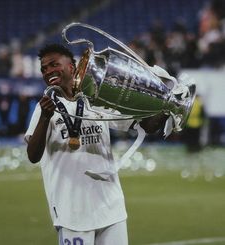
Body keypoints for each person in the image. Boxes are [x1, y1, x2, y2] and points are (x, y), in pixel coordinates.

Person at [25, 43, 168, 245]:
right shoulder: (45, 108)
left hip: (111, 209)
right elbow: (32, 155)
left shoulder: (96, 100)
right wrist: (45, 119)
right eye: (44, 69)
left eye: (54, 64)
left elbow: (147, 124)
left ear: (71, 66)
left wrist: (168, 106)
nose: (48, 71)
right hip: (71, 212)